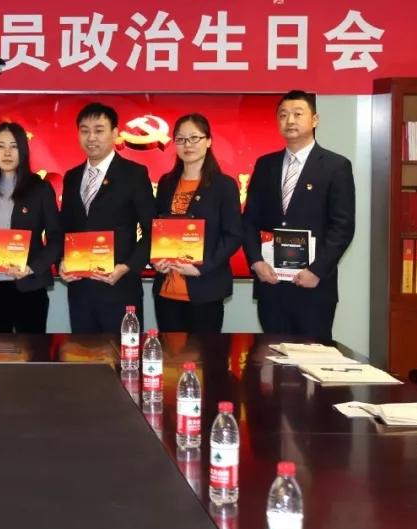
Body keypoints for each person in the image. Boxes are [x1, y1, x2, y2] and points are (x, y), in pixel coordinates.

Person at [242, 90, 356, 342]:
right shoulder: (265, 165)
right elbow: (249, 221)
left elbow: (343, 227)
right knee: (272, 355)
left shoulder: (336, 166)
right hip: (272, 285)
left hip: (313, 287)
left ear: (315, 120)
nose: (290, 120)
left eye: (297, 114)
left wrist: (317, 270)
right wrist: (256, 262)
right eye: (283, 115)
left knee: (312, 357)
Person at [59, 102, 156, 333]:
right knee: (83, 353)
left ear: (114, 133)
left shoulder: (134, 174)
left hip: (120, 289)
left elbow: (153, 229)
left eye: (99, 130)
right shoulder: (71, 177)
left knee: (123, 353)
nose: (91, 137)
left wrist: (128, 267)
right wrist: (61, 261)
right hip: (80, 292)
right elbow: (64, 228)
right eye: (85, 131)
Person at [0, 122, 62, 333]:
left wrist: (32, 267)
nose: (7, 153)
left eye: (14, 146)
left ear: (23, 150)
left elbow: (56, 238)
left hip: (29, 286)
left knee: (32, 350)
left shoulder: (39, 189)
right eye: (0, 146)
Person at [151, 114, 242, 333]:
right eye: (181, 139)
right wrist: (155, 260)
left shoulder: (224, 185)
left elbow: (233, 235)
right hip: (167, 289)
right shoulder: (166, 183)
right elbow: (156, 228)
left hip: (206, 288)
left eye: (194, 138)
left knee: (204, 353)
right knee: (170, 353)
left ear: (208, 141)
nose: (187, 145)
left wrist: (201, 267)